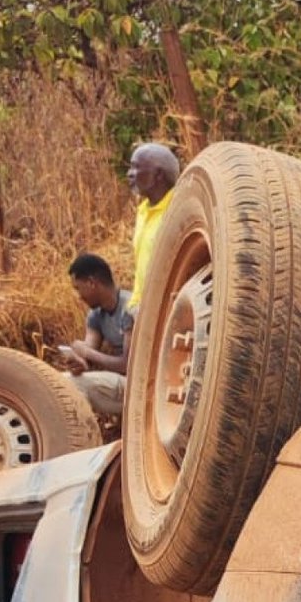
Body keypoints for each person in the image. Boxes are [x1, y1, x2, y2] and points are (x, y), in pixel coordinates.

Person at [58, 252, 132, 424]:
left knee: (71, 385)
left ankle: (81, 439)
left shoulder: (130, 308)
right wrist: (79, 362)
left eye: (78, 288)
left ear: (92, 283)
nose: (79, 296)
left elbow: (127, 363)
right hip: (121, 386)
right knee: (61, 383)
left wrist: (88, 353)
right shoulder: (96, 315)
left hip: (141, 384)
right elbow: (88, 351)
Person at [127, 143, 178, 305]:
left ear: (158, 175)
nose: (129, 174)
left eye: (136, 168)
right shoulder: (143, 212)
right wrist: (133, 306)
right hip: (143, 311)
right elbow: (142, 270)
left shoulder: (177, 211)